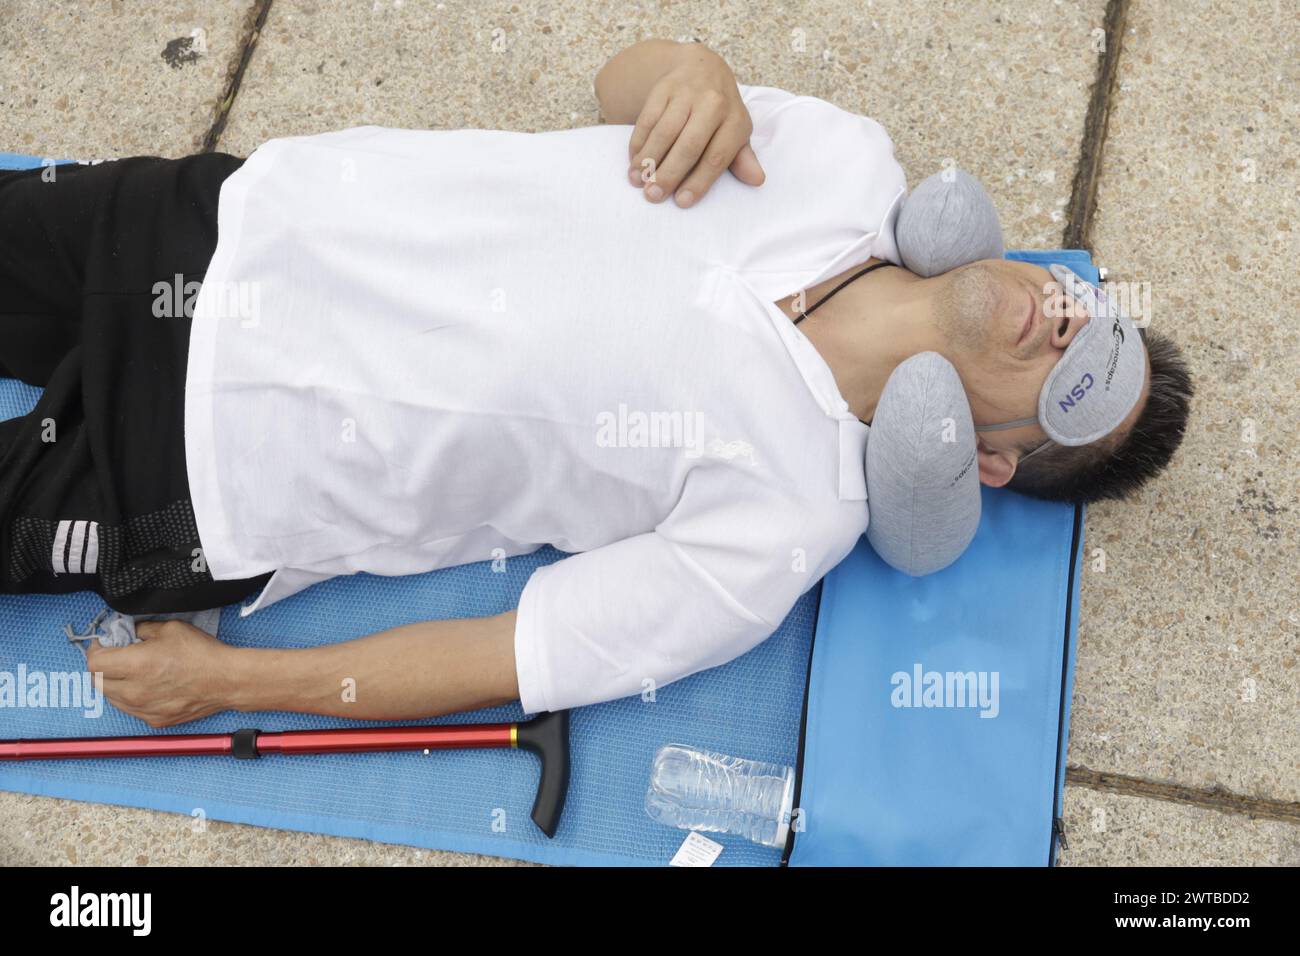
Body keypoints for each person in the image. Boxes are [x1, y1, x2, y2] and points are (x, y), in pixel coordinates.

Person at [0, 39, 1192, 727]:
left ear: (989, 460)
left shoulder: (787, 525)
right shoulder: (840, 158)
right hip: (228, 227)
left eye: (1080, 379)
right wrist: (690, 69)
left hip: (211, 470)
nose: (1070, 321)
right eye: (1096, 313)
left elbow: (506, 655)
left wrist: (227, 682)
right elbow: (618, 84)